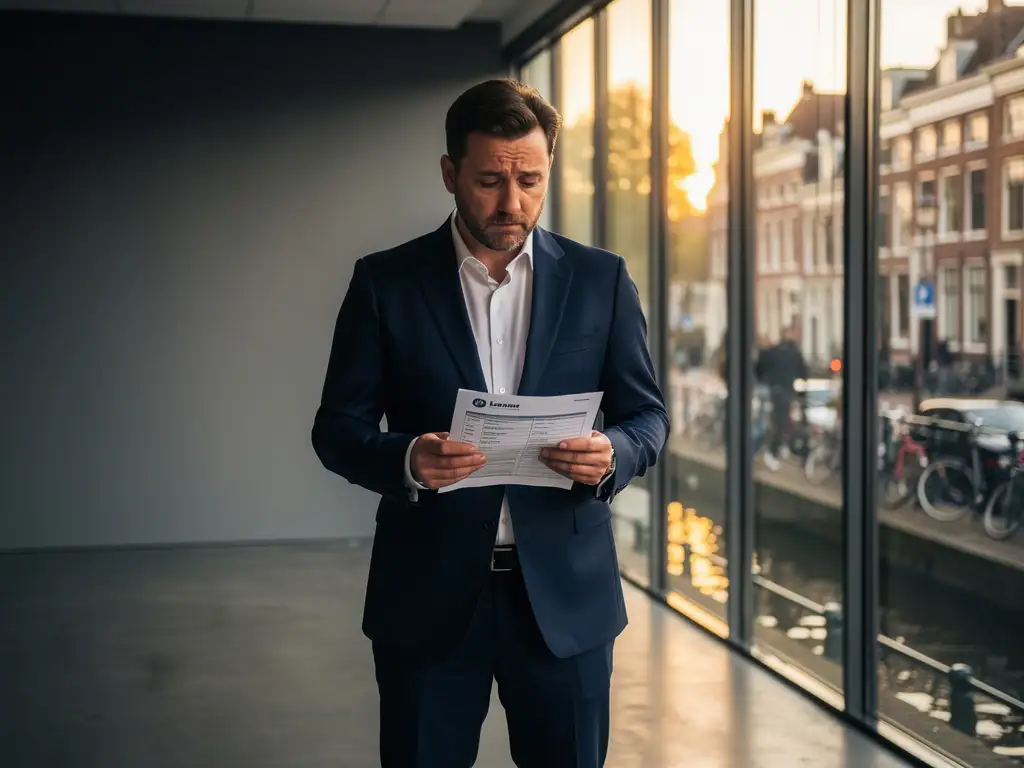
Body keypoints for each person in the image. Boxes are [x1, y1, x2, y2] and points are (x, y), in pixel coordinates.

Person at [311, 79, 669, 768]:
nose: (512, 203)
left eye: (530, 180)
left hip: (566, 601)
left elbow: (647, 415)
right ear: (450, 174)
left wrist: (613, 453)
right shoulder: (385, 283)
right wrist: (409, 458)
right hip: (427, 598)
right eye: (489, 181)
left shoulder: (602, 280)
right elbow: (337, 427)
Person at [754, 324, 808, 470]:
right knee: (781, 422)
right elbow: (803, 372)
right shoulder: (795, 352)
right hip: (786, 390)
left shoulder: (774, 351)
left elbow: (759, 367)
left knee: (778, 420)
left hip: (774, 389)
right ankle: (773, 452)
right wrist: (803, 393)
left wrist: (764, 381)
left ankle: (777, 447)